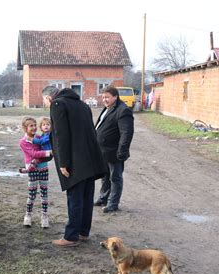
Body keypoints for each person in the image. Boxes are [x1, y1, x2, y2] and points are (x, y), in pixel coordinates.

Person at [43, 86, 107, 247]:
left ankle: (71, 237)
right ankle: (83, 232)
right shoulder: (82, 105)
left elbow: (61, 134)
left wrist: (64, 163)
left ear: (49, 98)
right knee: (86, 196)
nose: (45, 104)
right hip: (89, 159)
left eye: (44, 100)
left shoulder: (58, 105)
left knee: (75, 198)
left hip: (74, 161)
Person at [94, 85, 134, 213]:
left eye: (107, 97)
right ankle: (103, 198)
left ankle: (113, 203)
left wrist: (122, 151)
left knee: (115, 178)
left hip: (115, 152)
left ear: (115, 97)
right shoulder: (107, 108)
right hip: (103, 151)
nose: (104, 99)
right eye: (103, 97)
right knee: (105, 176)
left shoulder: (123, 110)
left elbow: (126, 133)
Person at [19, 116, 52, 228]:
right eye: (30, 126)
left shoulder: (40, 137)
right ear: (25, 128)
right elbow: (33, 153)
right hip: (32, 170)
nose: (33, 128)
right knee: (32, 194)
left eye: (34, 125)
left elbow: (42, 150)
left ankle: (44, 216)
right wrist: (48, 153)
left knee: (44, 193)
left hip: (43, 168)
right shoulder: (23, 141)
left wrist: (46, 154)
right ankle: (28, 215)